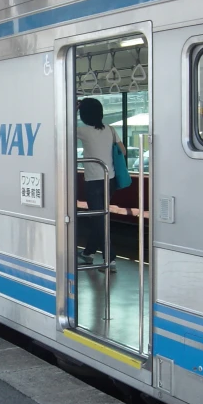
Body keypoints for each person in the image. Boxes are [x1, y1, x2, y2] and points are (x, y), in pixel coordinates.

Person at [76, 97, 126, 273]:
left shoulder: (83, 131)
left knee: (99, 220)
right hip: (110, 179)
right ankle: (88, 253)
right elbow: (123, 151)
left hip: (94, 181)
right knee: (100, 218)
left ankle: (110, 259)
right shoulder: (110, 130)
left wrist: (73, 108)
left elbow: (63, 128)